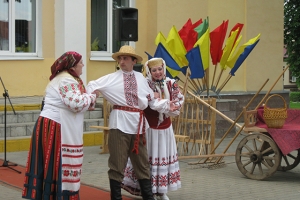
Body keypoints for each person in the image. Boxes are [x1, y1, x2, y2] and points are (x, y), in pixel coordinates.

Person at [86, 45, 179, 200]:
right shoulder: (112, 78)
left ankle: (148, 197)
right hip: (120, 124)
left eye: (125, 58)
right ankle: (116, 198)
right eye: (120, 59)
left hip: (138, 125)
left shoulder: (141, 79)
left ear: (133, 61)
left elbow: (151, 101)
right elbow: (92, 85)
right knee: (117, 163)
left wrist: (166, 105)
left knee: (142, 163)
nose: (122, 62)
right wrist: (92, 97)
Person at [22, 51, 100, 199]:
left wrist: (88, 99)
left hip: (52, 124)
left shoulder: (65, 79)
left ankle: (48, 195)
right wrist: (93, 95)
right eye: (80, 62)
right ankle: (57, 196)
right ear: (73, 65)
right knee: (58, 163)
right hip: (55, 126)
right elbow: (75, 103)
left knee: (51, 163)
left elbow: (76, 101)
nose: (83, 65)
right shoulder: (66, 80)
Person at [122, 58, 184, 200]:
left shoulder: (171, 83)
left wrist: (172, 107)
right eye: (154, 70)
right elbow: (152, 103)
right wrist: (168, 105)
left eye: (159, 69)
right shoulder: (146, 84)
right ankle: (149, 191)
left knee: (162, 157)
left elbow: (179, 101)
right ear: (149, 72)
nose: (157, 72)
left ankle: (162, 191)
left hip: (165, 130)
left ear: (164, 68)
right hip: (149, 129)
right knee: (148, 160)